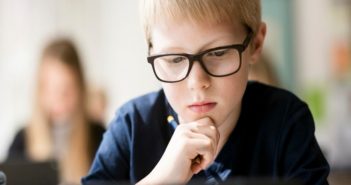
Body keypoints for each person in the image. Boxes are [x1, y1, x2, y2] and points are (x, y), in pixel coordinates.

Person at [82, 0, 329, 184]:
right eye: (175, 58)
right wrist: (162, 178)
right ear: (151, 53)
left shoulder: (285, 121)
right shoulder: (131, 127)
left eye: (218, 53)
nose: (196, 82)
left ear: (255, 44)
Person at [7, 38, 105, 185]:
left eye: (67, 89)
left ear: (80, 88)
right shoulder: (21, 140)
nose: (60, 98)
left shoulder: (99, 136)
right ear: (40, 90)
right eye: (52, 89)